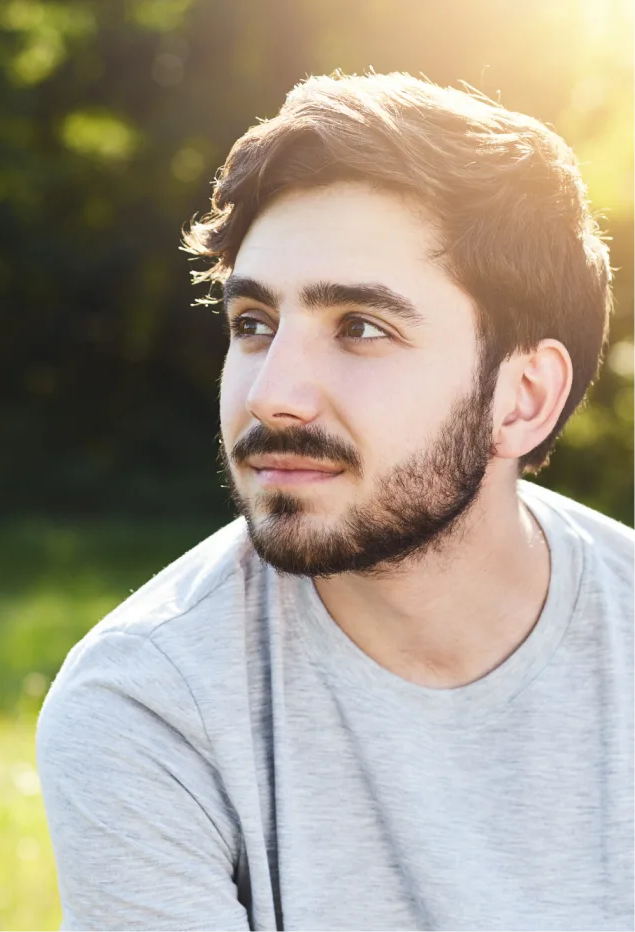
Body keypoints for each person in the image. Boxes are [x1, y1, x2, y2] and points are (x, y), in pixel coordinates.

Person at [36, 71, 635, 932]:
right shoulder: (147, 708)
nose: (272, 394)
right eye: (252, 324)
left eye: (361, 327)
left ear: (523, 398)